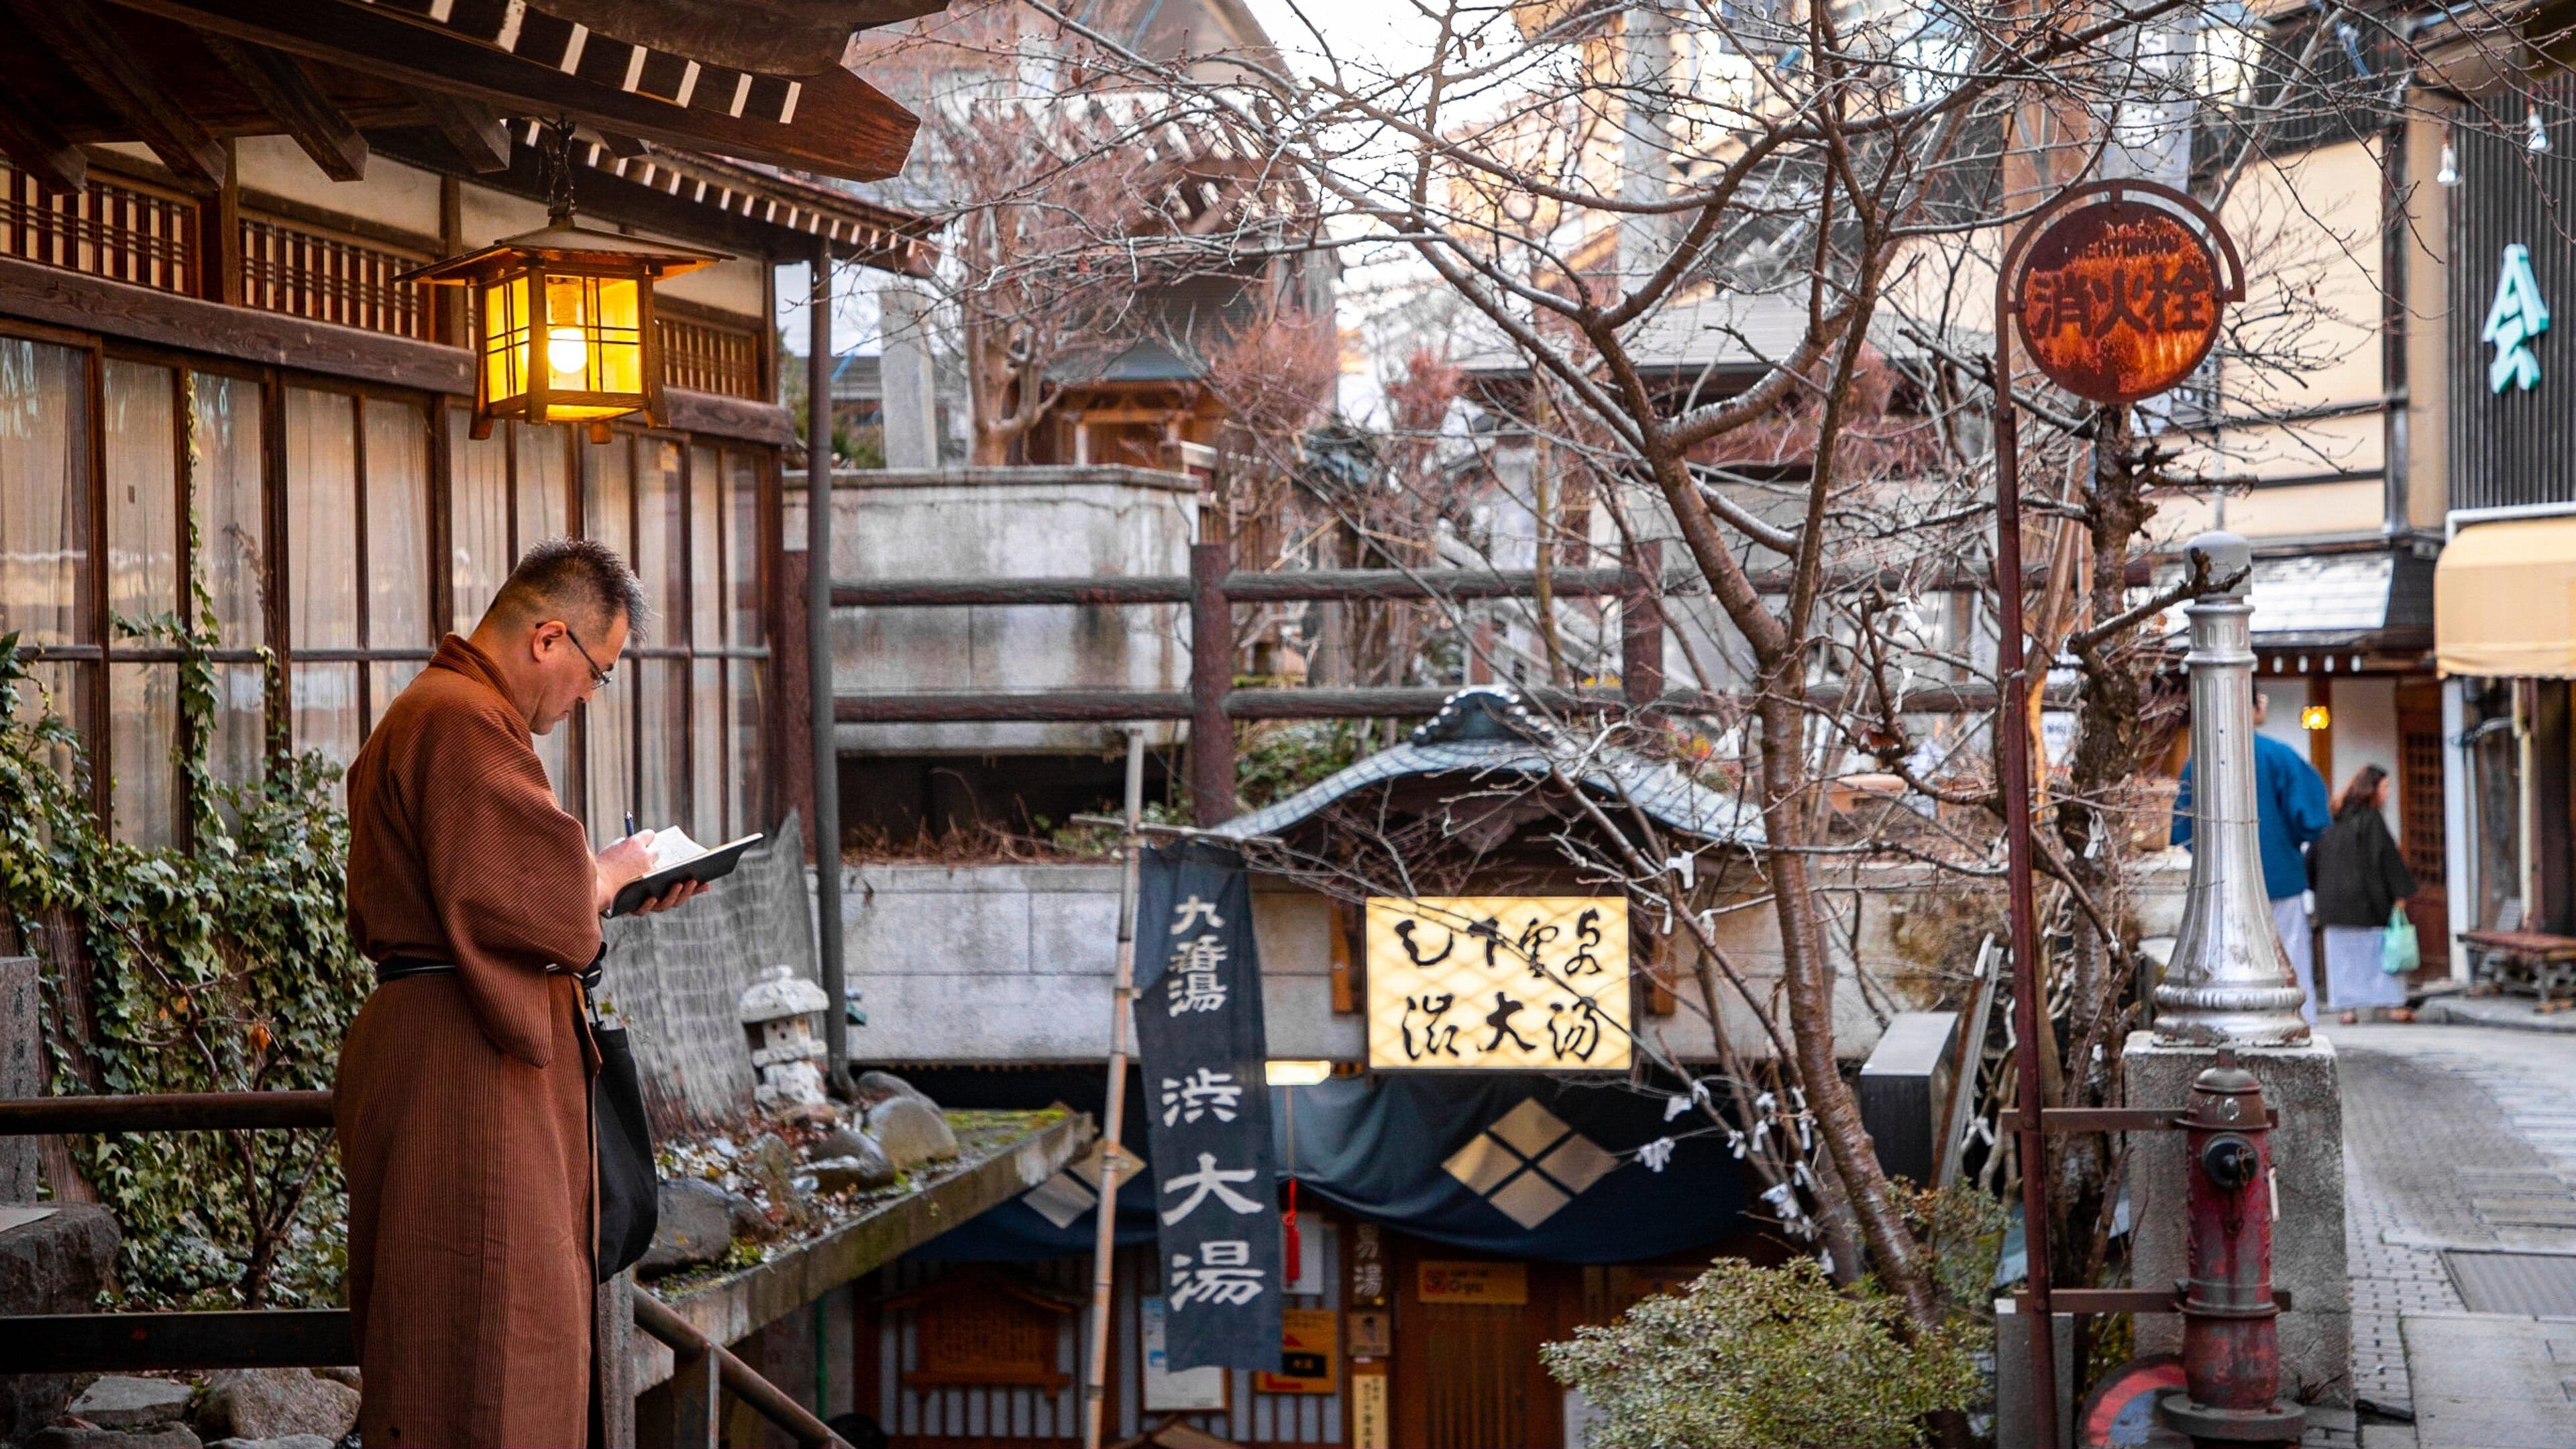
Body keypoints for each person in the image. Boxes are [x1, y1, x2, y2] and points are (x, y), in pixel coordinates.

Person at [334, 538, 704, 1446]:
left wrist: (601, 893)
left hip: (439, 1041)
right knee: (490, 1319)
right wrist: (611, 877)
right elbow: (544, 907)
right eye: (597, 674)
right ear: (549, 639)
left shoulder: (442, 711)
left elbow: (512, 899)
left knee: (461, 1319)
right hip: (462, 1066)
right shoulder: (461, 720)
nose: (586, 699)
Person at [2170, 690, 2332, 1022]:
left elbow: (2182, 828)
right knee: (2288, 957)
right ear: (2257, 704)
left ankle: (2231, 1023)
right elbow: (2313, 820)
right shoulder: (2281, 756)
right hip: (2278, 878)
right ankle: (2293, 1022)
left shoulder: (2198, 760)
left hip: (2216, 884)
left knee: (2224, 960)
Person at [2309, 764, 2418, 1024]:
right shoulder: (2372, 820)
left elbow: (2312, 858)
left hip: (2333, 900)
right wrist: (2400, 893)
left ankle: (2346, 1009)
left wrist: (2318, 888)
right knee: (2377, 953)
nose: (2388, 792)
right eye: (2385, 787)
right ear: (2372, 790)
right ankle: (2390, 1004)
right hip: (2366, 901)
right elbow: (2386, 859)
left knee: (2343, 958)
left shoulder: (2332, 819)